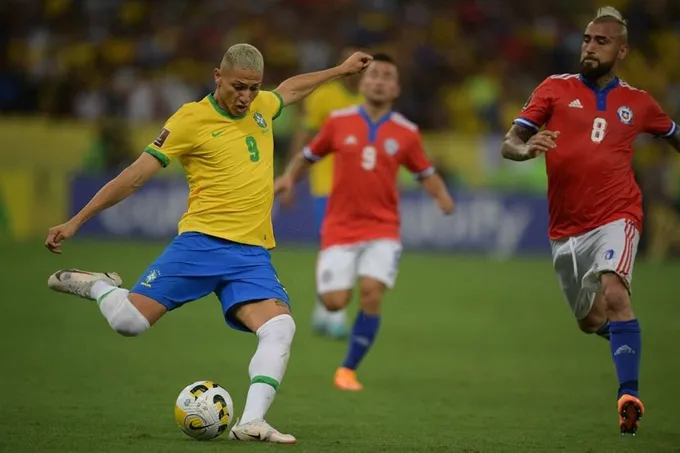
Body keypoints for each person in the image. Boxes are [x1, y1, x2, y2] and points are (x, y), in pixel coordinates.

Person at [44, 43, 373, 444]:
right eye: (238, 87)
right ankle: (99, 285)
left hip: (251, 254)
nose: (246, 97)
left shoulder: (261, 106)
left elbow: (290, 90)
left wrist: (340, 70)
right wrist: (77, 220)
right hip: (200, 245)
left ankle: (252, 422)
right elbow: (134, 176)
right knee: (128, 323)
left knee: (280, 327)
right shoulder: (189, 119)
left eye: (253, 88)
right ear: (218, 76)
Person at [501, 7, 679, 435]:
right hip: (565, 230)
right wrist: (526, 151)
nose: (589, 47)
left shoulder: (638, 102)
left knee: (616, 294)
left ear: (622, 51)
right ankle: (626, 338)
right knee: (590, 320)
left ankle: (628, 395)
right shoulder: (554, 90)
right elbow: (511, 143)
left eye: (601, 41)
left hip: (618, 215)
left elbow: (674, 135)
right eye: (586, 39)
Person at [275, 54, 455, 391]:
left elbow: (424, 172)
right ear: (362, 82)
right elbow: (309, 155)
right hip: (340, 226)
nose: (379, 81)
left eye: (387, 76)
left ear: (396, 88)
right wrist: (288, 178)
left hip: (383, 228)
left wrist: (441, 196)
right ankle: (329, 285)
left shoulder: (406, 133)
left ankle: (347, 370)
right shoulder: (338, 122)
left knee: (371, 292)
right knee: (334, 302)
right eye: (374, 75)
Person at [286, 46, 364, 340]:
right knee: (337, 248)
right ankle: (335, 312)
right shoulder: (323, 97)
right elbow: (304, 138)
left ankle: (324, 309)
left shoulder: (372, 100)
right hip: (328, 185)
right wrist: (291, 178)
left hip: (361, 188)